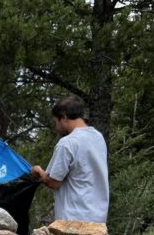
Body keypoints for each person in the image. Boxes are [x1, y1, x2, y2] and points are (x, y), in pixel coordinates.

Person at [31, 95, 109, 224]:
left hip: (73, 221)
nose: (56, 127)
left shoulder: (67, 143)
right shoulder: (98, 137)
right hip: (98, 220)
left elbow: (54, 182)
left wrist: (39, 171)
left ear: (64, 117)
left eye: (56, 121)